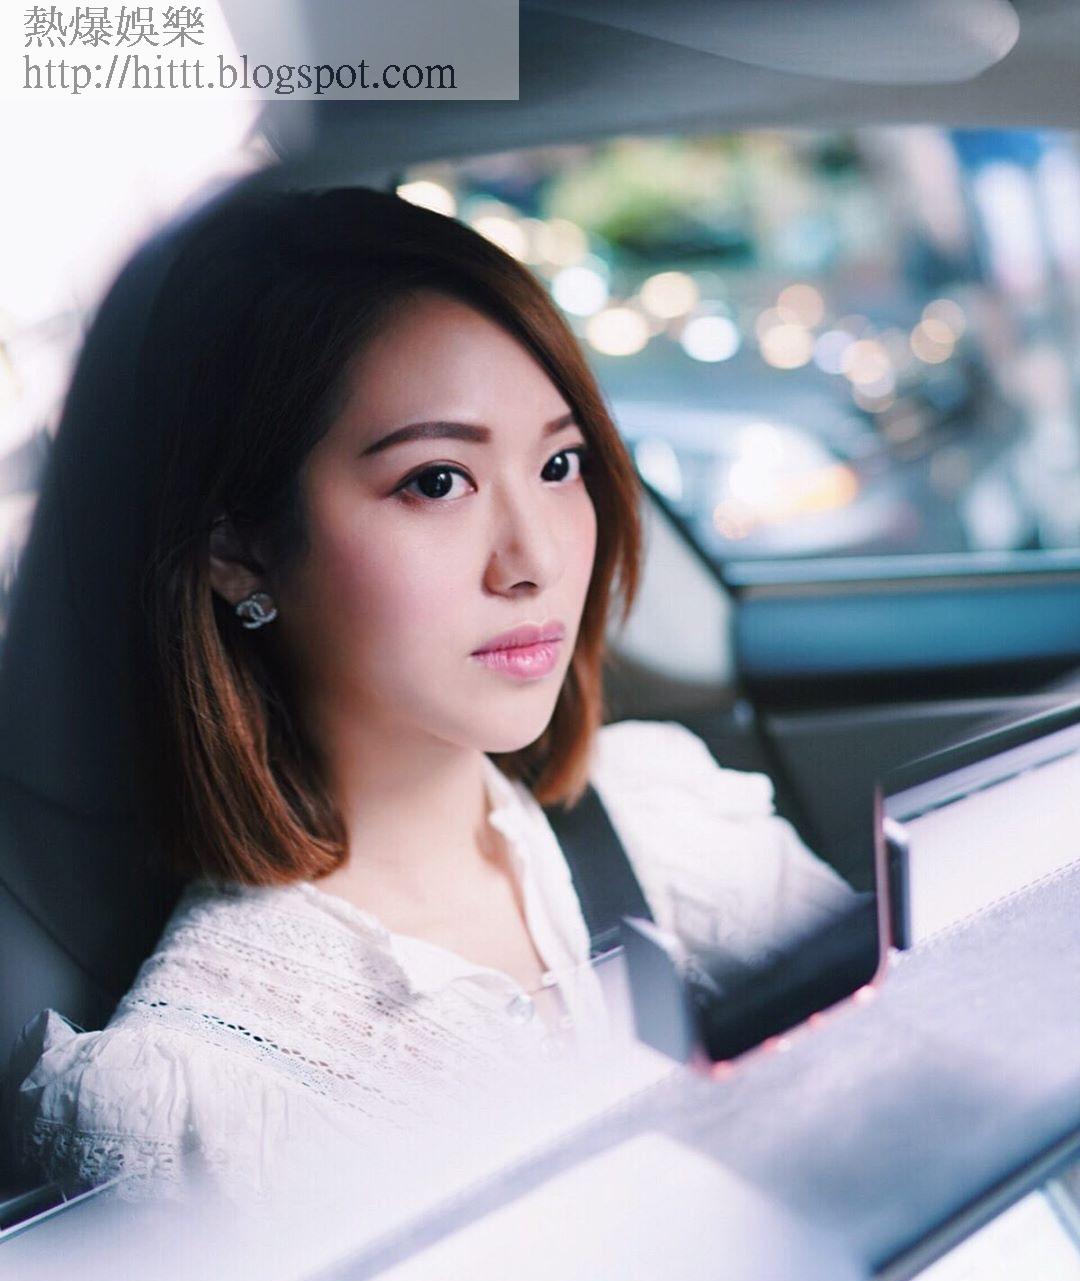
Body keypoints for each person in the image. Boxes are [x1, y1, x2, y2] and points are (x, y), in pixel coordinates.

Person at [6, 181, 853, 1203]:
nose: (536, 559)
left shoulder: (671, 819)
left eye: (560, 463)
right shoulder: (205, 1103)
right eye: (437, 481)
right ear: (238, 551)